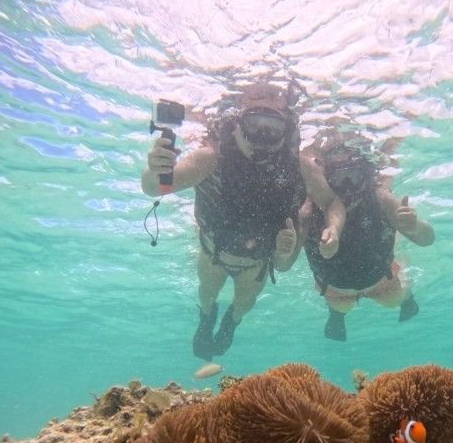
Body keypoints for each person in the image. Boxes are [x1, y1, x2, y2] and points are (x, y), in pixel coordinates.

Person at [141, 82, 345, 360]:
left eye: (272, 127)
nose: (262, 135)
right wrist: (155, 170)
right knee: (207, 292)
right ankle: (205, 317)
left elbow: (332, 202)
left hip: (257, 263)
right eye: (254, 123)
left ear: (286, 132)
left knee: (244, 302)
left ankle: (231, 322)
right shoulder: (210, 159)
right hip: (213, 252)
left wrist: (334, 226)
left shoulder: (301, 167)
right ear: (236, 124)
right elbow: (156, 188)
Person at [296, 141, 435, 341]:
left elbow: (428, 239)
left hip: (383, 283)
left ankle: (406, 300)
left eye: (354, 177)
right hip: (336, 291)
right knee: (340, 305)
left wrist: (414, 226)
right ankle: (337, 315)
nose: (347, 188)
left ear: (367, 177)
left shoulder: (380, 198)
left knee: (395, 298)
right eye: (338, 179)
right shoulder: (312, 206)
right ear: (325, 180)